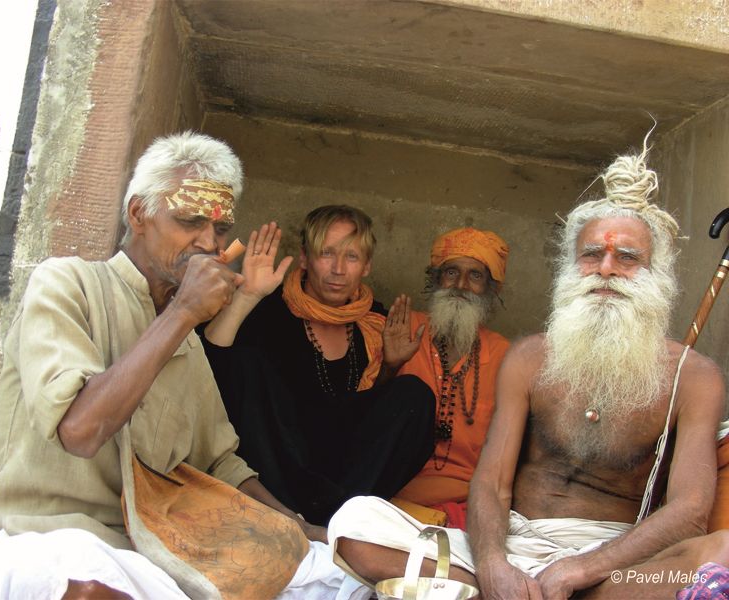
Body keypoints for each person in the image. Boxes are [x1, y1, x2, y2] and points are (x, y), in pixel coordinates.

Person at [328, 142, 729, 599]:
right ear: (570, 266)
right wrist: (493, 565)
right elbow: (492, 483)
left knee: (721, 551)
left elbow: (690, 512)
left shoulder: (692, 377)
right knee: (354, 524)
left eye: (627, 258)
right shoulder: (530, 357)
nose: (606, 269)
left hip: (611, 564)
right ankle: (496, 590)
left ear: (657, 272)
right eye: (591, 254)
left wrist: (582, 569)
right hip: (514, 543)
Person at [0, 131, 346, 599]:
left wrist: (303, 531)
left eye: (220, 229)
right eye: (190, 221)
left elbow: (221, 465)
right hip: (48, 538)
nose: (207, 242)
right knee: (75, 581)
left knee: (338, 578)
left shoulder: (186, 342)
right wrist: (183, 312)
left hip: (154, 554)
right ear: (138, 214)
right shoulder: (67, 283)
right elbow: (79, 430)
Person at [202, 205, 436, 524]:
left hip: (345, 476)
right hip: (278, 466)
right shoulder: (269, 311)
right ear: (304, 258)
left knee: (414, 395)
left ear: (367, 266)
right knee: (246, 363)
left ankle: (344, 515)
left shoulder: (373, 323)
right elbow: (212, 365)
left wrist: (389, 368)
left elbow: (362, 416)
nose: (338, 269)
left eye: (351, 257)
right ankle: (295, 516)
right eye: (327, 253)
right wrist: (247, 295)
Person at [377, 227, 510, 529]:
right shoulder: (402, 328)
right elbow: (361, 425)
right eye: (451, 272)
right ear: (436, 279)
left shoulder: (503, 355)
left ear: (491, 289)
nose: (461, 285)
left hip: (466, 505)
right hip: (389, 495)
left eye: (475, 276)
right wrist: (389, 367)